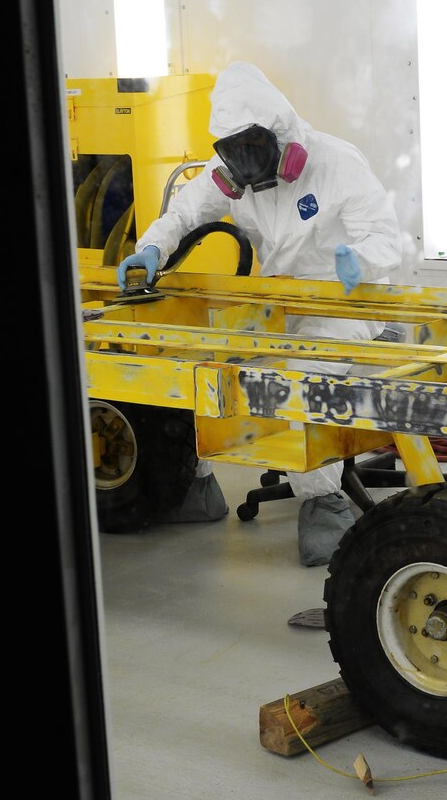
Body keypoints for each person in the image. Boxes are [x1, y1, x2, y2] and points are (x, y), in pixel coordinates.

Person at [118, 60, 403, 565]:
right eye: (238, 156)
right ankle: (197, 488)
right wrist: (153, 248)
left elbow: (384, 236)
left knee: (299, 374)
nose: (250, 166)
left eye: (258, 152)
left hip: (343, 300)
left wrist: (358, 261)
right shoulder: (232, 168)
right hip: (276, 300)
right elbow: (186, 212)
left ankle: (323, 502)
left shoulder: (335, 162)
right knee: (209, 363)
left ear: (281, 137)